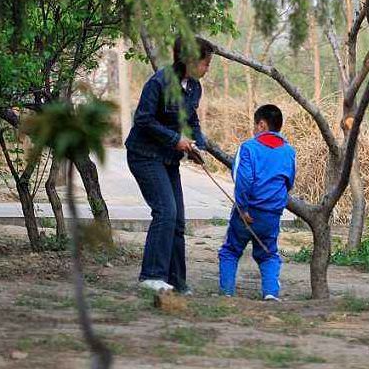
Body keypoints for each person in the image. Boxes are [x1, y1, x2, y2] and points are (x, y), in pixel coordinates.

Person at [126, 37, 213, 293]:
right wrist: (175, 139)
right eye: (206, 63)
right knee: (165, 211)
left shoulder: (195, 88)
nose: (208, 68)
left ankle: (175, 280)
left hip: (167, 159)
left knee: (177, 220)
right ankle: (151, 277)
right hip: (144, 155)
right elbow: (143, 120)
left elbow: (192, 121)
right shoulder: (159, 82)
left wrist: (198, 144)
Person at [218, 104, 296, 301]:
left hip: (247, 213)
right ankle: (271, 293)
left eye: (255, 125)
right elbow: (289, 182)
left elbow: (242, 180)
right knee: (268, 254)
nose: (253, 129)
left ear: (261, 125)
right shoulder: (289, 152)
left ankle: (227, 292)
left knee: (230, 251)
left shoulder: (248, 148)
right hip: (271, 215)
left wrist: (243, 209)